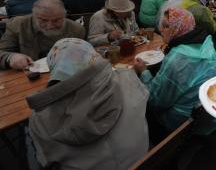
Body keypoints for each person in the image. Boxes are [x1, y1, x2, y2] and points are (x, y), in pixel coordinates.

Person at [27, 38, 149, 169]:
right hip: (145, 160)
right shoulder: (127, 78)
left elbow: (45, 159)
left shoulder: (40, 118)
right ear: (94, 57)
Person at [137, 7, 216, 134]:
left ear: (179, 28)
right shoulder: (206, 43)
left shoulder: (177, 59)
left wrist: (144, 72)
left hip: (183, 124)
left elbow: (155, 101)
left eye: (166, 26)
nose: (161, 29)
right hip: (213, 116)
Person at [0, 0, 85, 70]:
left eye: (56, 20)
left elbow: (83, 57)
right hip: (26, 77)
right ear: (34, 16)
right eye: (43, 20)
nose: (50, 26)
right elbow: (2, 52)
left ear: (64, 16)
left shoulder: (77, 30)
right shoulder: (18, 25)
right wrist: (10, 58)